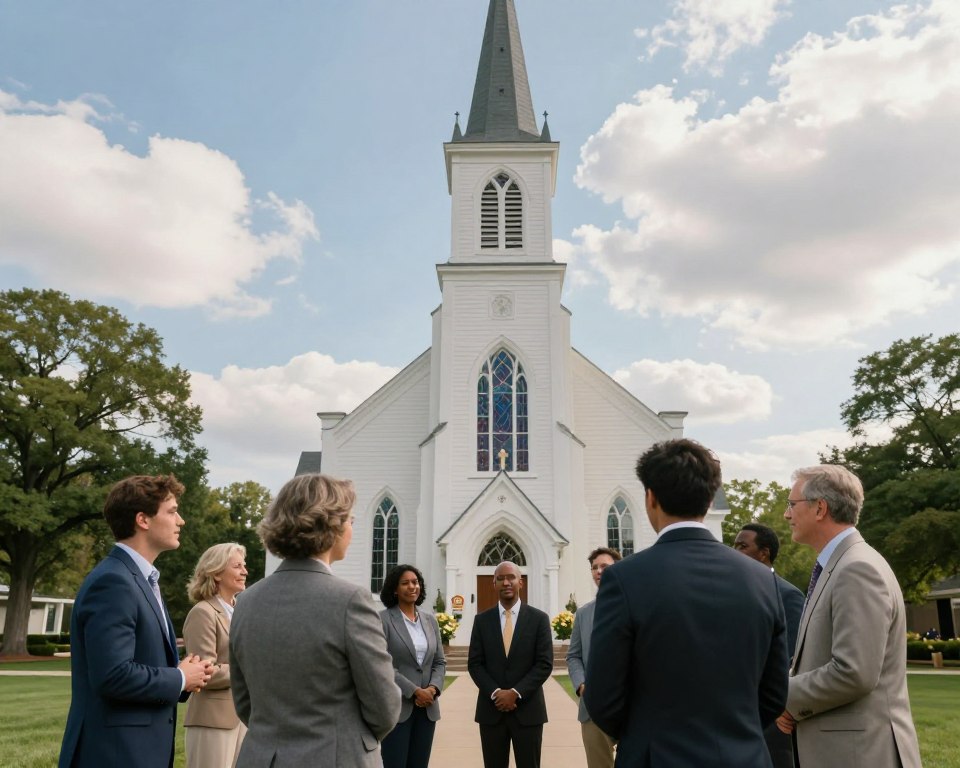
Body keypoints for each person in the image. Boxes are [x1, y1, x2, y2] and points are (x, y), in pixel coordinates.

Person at [585, 439, 788, 767]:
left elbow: (602, 697)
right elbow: (775, 694)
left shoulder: (625, 579)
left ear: (651, 497)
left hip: (657, 756)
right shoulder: (763, 579)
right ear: (709, 499)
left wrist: (643, 735)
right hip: (744, 757)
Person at [229, 474, 401, 767]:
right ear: (332, 525)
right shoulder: (350, 601)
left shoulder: (246, 601)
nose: (351, 527)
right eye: (349, 519)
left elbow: (245, 703)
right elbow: (384, 705)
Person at [59, 475, 212, 768]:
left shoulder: (141, 579)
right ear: (143, 520)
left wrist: (186, 675)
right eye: (172, 511)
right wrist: (180, 678)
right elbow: (113, 675)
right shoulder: (113, 582)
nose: (181, 521)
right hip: (113, 754)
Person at [777, 465, 921, 767]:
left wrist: (784, 698)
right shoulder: (842, 564)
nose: (786, 515)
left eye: (792, 504)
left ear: (820, 508)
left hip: (860, 755)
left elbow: (853, 672)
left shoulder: (856, 568)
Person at [467, 560, 553, 768]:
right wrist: (496, 693)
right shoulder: (481, 621)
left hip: (528, 711)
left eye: (511, 578)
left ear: (520, 582)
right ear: (494, 584)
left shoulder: (539, 619)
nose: (506, 582)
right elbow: (475, 664)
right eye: (501, 578)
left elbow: (544, 663)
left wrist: (515, 692)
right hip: (491, 711)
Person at [733, 523, 804, 768]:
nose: (735, 551)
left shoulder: (788, 596)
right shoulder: (732, 593)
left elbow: (790, 659)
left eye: (742, 546)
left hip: (772, 718)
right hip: (734, 716)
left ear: (764, 553)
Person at [182, 543, 249, 768]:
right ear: (217, 572)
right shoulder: (203, 613)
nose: (245, 571)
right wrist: (250, 670)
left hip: (244, 718)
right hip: (212, 720)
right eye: (237, 566)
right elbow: (203, 672)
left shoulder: (241, 612)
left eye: (244, 566)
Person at [378, 564, 446, 768]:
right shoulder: (382, 620)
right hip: (398, 708)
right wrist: (415, 691)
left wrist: (433, 689)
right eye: (405, 583)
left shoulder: (430, 620)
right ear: (395, 589)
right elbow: (382, 664)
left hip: (427, 709)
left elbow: (439, 661)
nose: (412, 587)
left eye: (415, 582)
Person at [566, 546, 621, 768]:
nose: (598, 571)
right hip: (592, 709)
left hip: (629, 707)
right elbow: (573, 656)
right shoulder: (583, 613)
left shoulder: (634, 607)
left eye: (604, 566)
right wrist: (581, 685)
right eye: (594, 567)